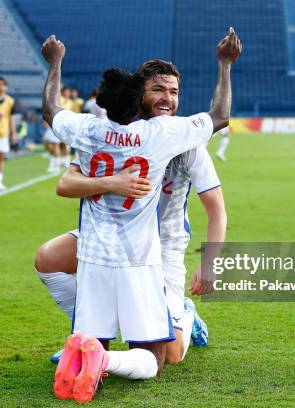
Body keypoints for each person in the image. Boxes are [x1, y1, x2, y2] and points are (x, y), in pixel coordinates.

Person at [41, 28, 240, 403]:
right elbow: (220, 115)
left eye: (174, 92)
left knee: (176, 353)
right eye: (158, 91)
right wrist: (225, 64)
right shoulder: (165, 134)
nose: (168, 99)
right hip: (130, 250)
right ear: (138, 95)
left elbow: (216, 208)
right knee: (48, 259)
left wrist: (210, 264)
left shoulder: (97, 131)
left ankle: (179, 315)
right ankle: (96, 342)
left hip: (159, 251)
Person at [0, 77, 17, 190]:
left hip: (3, 132)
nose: (1, 87)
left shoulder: (10, 101)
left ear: (6, 87)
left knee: (0, 157)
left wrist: (14, 133)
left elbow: (11, 118)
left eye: (3, 85)